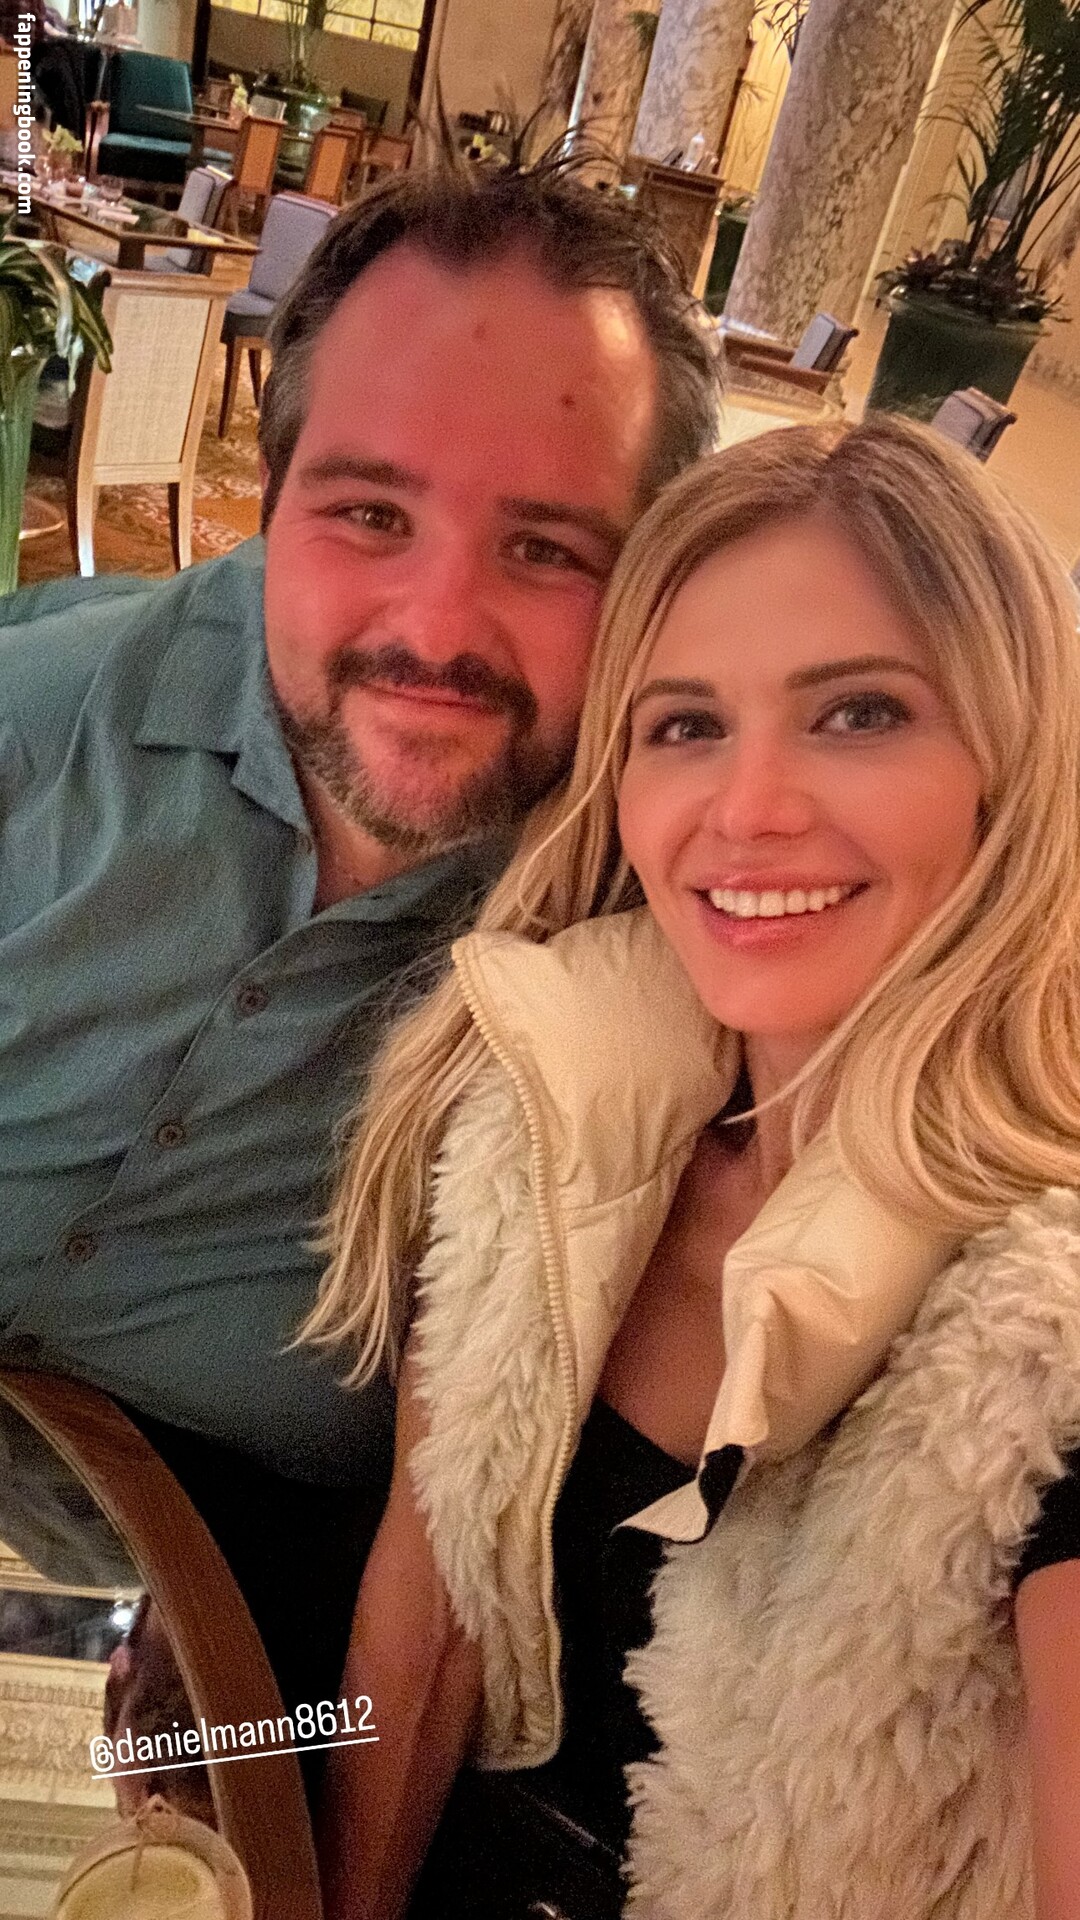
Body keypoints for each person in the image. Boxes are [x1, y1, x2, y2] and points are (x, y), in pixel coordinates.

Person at [311, 414, 1080, 1920]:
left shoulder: (1046, 1322)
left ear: (1019, 759)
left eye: (859, 712)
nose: (747, 809)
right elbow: (429, 1615)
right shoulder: (553, 1114)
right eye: (684, 725)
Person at [0, 154, 720, 1720]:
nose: (437, 627)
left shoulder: (669, 941)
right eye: (370, 512)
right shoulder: (34, 722)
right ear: (271, 505)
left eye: (547, 549)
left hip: (241, 1657)